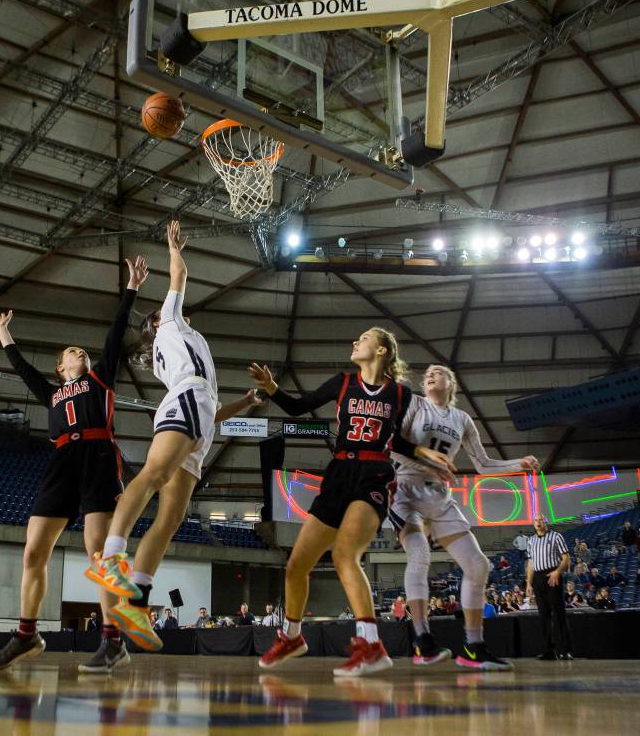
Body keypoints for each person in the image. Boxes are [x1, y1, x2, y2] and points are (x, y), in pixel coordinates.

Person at [86, 221, 259, 652]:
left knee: (173, 517)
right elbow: (179, 277)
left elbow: (213, 413)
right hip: (185, 399)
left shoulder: (182, 339)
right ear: (159, 318)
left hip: (198, 412)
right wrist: (173, 249)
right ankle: (113, 553)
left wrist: (246, 403)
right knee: (155, 473)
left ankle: (137, 602)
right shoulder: (169, 324)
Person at [250, 329, 454, 676]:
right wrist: (271, 387)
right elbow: (298, 407)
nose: (355, 342)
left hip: (374, 474)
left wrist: (423, 451)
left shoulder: (401, 394)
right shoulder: (342, 382)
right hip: (339, 472)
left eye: (362, 339)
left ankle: (371, 645)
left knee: (345, 554)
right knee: (296, 564)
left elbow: (394, 442)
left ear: (382, 350)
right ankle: (292, 636)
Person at [0, 255, 148, 675]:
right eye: (71, 352)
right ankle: (27, 633)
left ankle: (113, 641)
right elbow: (24, 372)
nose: (80, 352)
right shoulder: (52, 394)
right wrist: (5, 337)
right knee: (33, 551)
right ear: (61, 368)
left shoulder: (100, 381)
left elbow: (114, 337)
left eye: (82, 351)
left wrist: (130, 290)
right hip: (61, 461)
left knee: (101, 553)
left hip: (97, 458)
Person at [389, 364, 537, 672]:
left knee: (478, 564)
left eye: (438, 371)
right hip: (404, 488)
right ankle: (422, 639)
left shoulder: (462, 419)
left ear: (450, 382)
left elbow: (483, 465)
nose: (429, 374)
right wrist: (428, 462)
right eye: (427, 372)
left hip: (439, 496)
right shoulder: (415, 404)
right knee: (419, 554)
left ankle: (473, 647)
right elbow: (392, 446)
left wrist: (518, 464)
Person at [526, 515, 572, 661]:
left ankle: (565, 650)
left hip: (553, 575)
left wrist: (558, 572)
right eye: (536, 520)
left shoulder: (556, 536)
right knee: (543, 616)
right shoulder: (531, 540)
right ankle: (548, 651)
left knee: (559, 614)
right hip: (538, 578)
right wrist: (528, 583)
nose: (538, 522)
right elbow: (531, 563)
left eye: (541, 520)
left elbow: (566, 559)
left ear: (546, 522)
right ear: (533, 524)